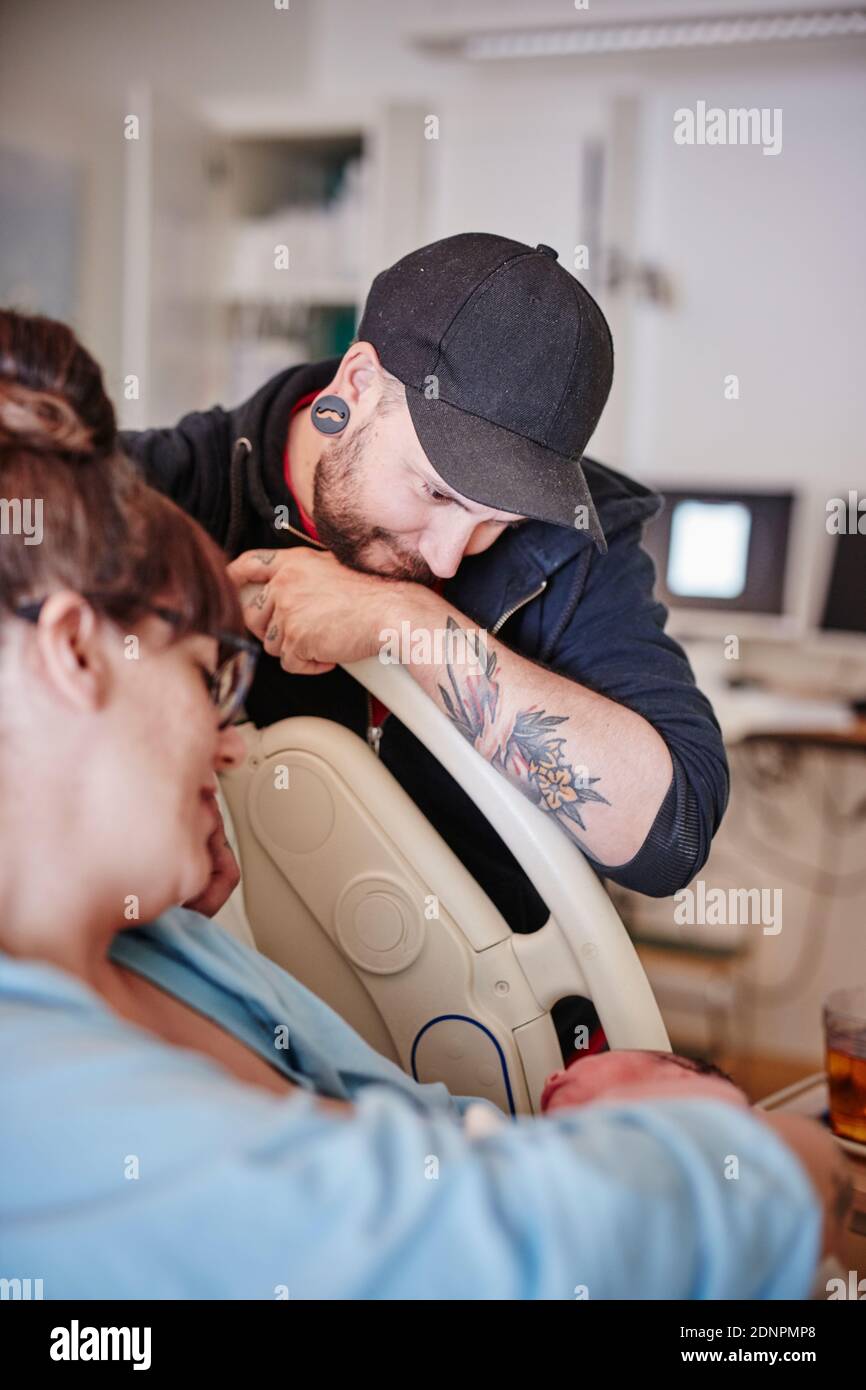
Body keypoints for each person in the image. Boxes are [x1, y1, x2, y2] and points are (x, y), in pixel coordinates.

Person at [0, 309, 851, 1299]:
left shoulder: (172, 953)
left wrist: (411, 623)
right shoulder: (132, 502)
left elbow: (667, 829)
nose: (454, 555)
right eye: (207, 677)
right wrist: (758, 1169)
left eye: (490, 523)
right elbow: (434, 1240)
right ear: (352, 382)